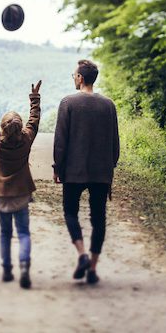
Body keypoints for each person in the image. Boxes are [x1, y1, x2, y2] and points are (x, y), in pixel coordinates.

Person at [53, 59, 119, 285]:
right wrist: (110, 168)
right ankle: (92, 267)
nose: (73, 78)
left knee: (70, 212)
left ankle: (81, 254)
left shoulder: (68, 103)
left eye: (74, 75)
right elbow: (115, 143)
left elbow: (61, 141)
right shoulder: (108, 105)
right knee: (98, 218)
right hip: (101, 172)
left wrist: (58, 167)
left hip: (74, 171)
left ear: (80, 78)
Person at [0, 80, 42, 289]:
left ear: (3, 127)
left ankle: (7, 269)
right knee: (24, 232)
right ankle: (24, 266)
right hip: (22, 194)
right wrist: (34, 98)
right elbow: (34, 120)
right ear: (20, 126)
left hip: (0, 194)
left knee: (5, 233)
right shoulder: (26, 139)